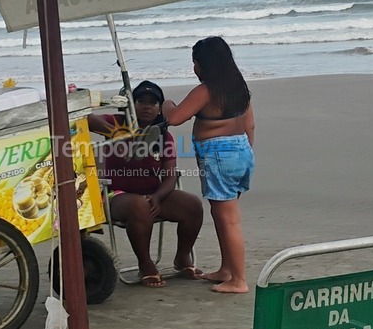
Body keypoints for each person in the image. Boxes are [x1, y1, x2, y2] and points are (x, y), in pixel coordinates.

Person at [88, 80, 205, 288]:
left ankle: (182, 257)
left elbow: (170, 176)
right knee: (139, 206)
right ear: (132, 104)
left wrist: (158, 197)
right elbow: (86, 119)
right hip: (116, 194)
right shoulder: (117, 122)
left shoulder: (163, 135)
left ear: (160, 108)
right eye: (141, 101)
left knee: (193, 205)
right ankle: (146, 263)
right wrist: (116, 133)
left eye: (153, 102)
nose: (146, 106)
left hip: (153, 192)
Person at [162, 36, 255, 294]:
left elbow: (176, 118)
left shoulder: (206, 90)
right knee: (221, 212)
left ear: (205, 65)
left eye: (195, 62)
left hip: (218, 155)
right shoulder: (238, 86)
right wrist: (245, 154)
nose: (194, 68)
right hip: (242, 150)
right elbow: (250, 124)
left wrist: (166, 104)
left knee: (229, 218)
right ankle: (227, 269)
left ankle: (238, 279)